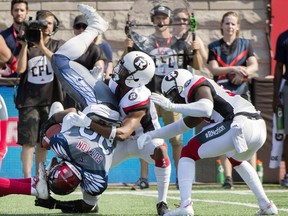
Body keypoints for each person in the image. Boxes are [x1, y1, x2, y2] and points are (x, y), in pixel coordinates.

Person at [52, 5, 171, 215]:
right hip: (114, 136)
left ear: (134, 78)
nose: (118, 68)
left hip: (141, 138)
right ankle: (89, 202)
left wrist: (89, 122)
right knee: (88, 179)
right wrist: (98, 80)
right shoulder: (119, 81)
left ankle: (162, 202)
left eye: (123, 69)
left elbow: (125, 133)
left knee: (161, 150)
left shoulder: (139, 97)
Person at [137, 68, 278, 216]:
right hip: (257, 128)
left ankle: (185, 205)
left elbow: (205, 108)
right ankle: (266, 204)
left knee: (187, 153)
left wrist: (172, 106)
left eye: (173, 95)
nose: (174, 100)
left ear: (180, 87)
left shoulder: (197, 86)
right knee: (234, 158)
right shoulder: (200, 97)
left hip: (239, 123)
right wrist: (152, 134)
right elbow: (180, 126)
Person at [207, 11, 259, 189]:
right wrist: (235, 69)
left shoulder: (246, 44)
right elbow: (214, 70)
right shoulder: (214, 46)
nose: (230, 26)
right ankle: (228, 177)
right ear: (221, 25)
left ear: (237, 27)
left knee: (248, 133)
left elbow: (253, 66)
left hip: (242, 93)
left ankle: (252, 175)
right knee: (224, 133)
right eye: (227, 23)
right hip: (222, 95)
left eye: (233, 24)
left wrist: (243, 73)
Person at [15, 9, 65, 178]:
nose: (44, 27)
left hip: (51, 101)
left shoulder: (57, 45)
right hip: (29, 101)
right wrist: (24, 46)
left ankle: (40, 177)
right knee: (28, 142)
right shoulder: (28, 45)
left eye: (48, 24)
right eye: (42, 23)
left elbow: (58, 63)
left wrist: (42, 46)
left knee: (43, 143)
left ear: (54, 27)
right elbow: (20, 69)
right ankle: (27, 178)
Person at [273, 28, 288, 187]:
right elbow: (278, 67)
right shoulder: (284, 37)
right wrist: (275, 95)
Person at [0, 0, 29, 77]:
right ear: (11, 12)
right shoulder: (2, 36)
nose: (19, 13)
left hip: (30, 83)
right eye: (16, 10)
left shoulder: (33, 35)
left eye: (22, 10)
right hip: (9, 83)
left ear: (27, 12)